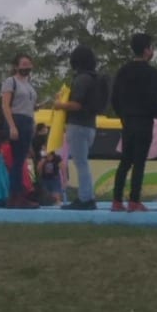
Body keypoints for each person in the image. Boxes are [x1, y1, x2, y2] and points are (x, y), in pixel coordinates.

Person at [112, 32, 157, 212]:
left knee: (125, 161)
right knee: (139, 162)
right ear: (146, 50)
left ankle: (117, 200)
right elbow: (152, 99)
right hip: (144, 121)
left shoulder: (123, 71)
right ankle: (134, 200)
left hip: (127, 121)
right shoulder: (151, 73)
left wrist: (123, 116)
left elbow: (115, 98)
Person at [56, 45, 103, 211]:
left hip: (78, 125)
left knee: (81, 163)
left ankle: (85, 198)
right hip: (90, 125)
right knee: (83, 162)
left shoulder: (81, 79)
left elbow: (76, 105)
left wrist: (60, 105)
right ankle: (87, 196)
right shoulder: (94, 78)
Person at [0, 54, 40, 209]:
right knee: (18, 160)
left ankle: (17, 195)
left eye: (29, 64)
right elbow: (5, 105)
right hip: (17, 120)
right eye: (23, 64)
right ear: (16, 66)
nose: (26, 67)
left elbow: (27, 105)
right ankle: (16, 195)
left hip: (28, 120)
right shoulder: (11, 81)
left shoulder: (29, 85)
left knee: (21, 159)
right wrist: (12, 126)